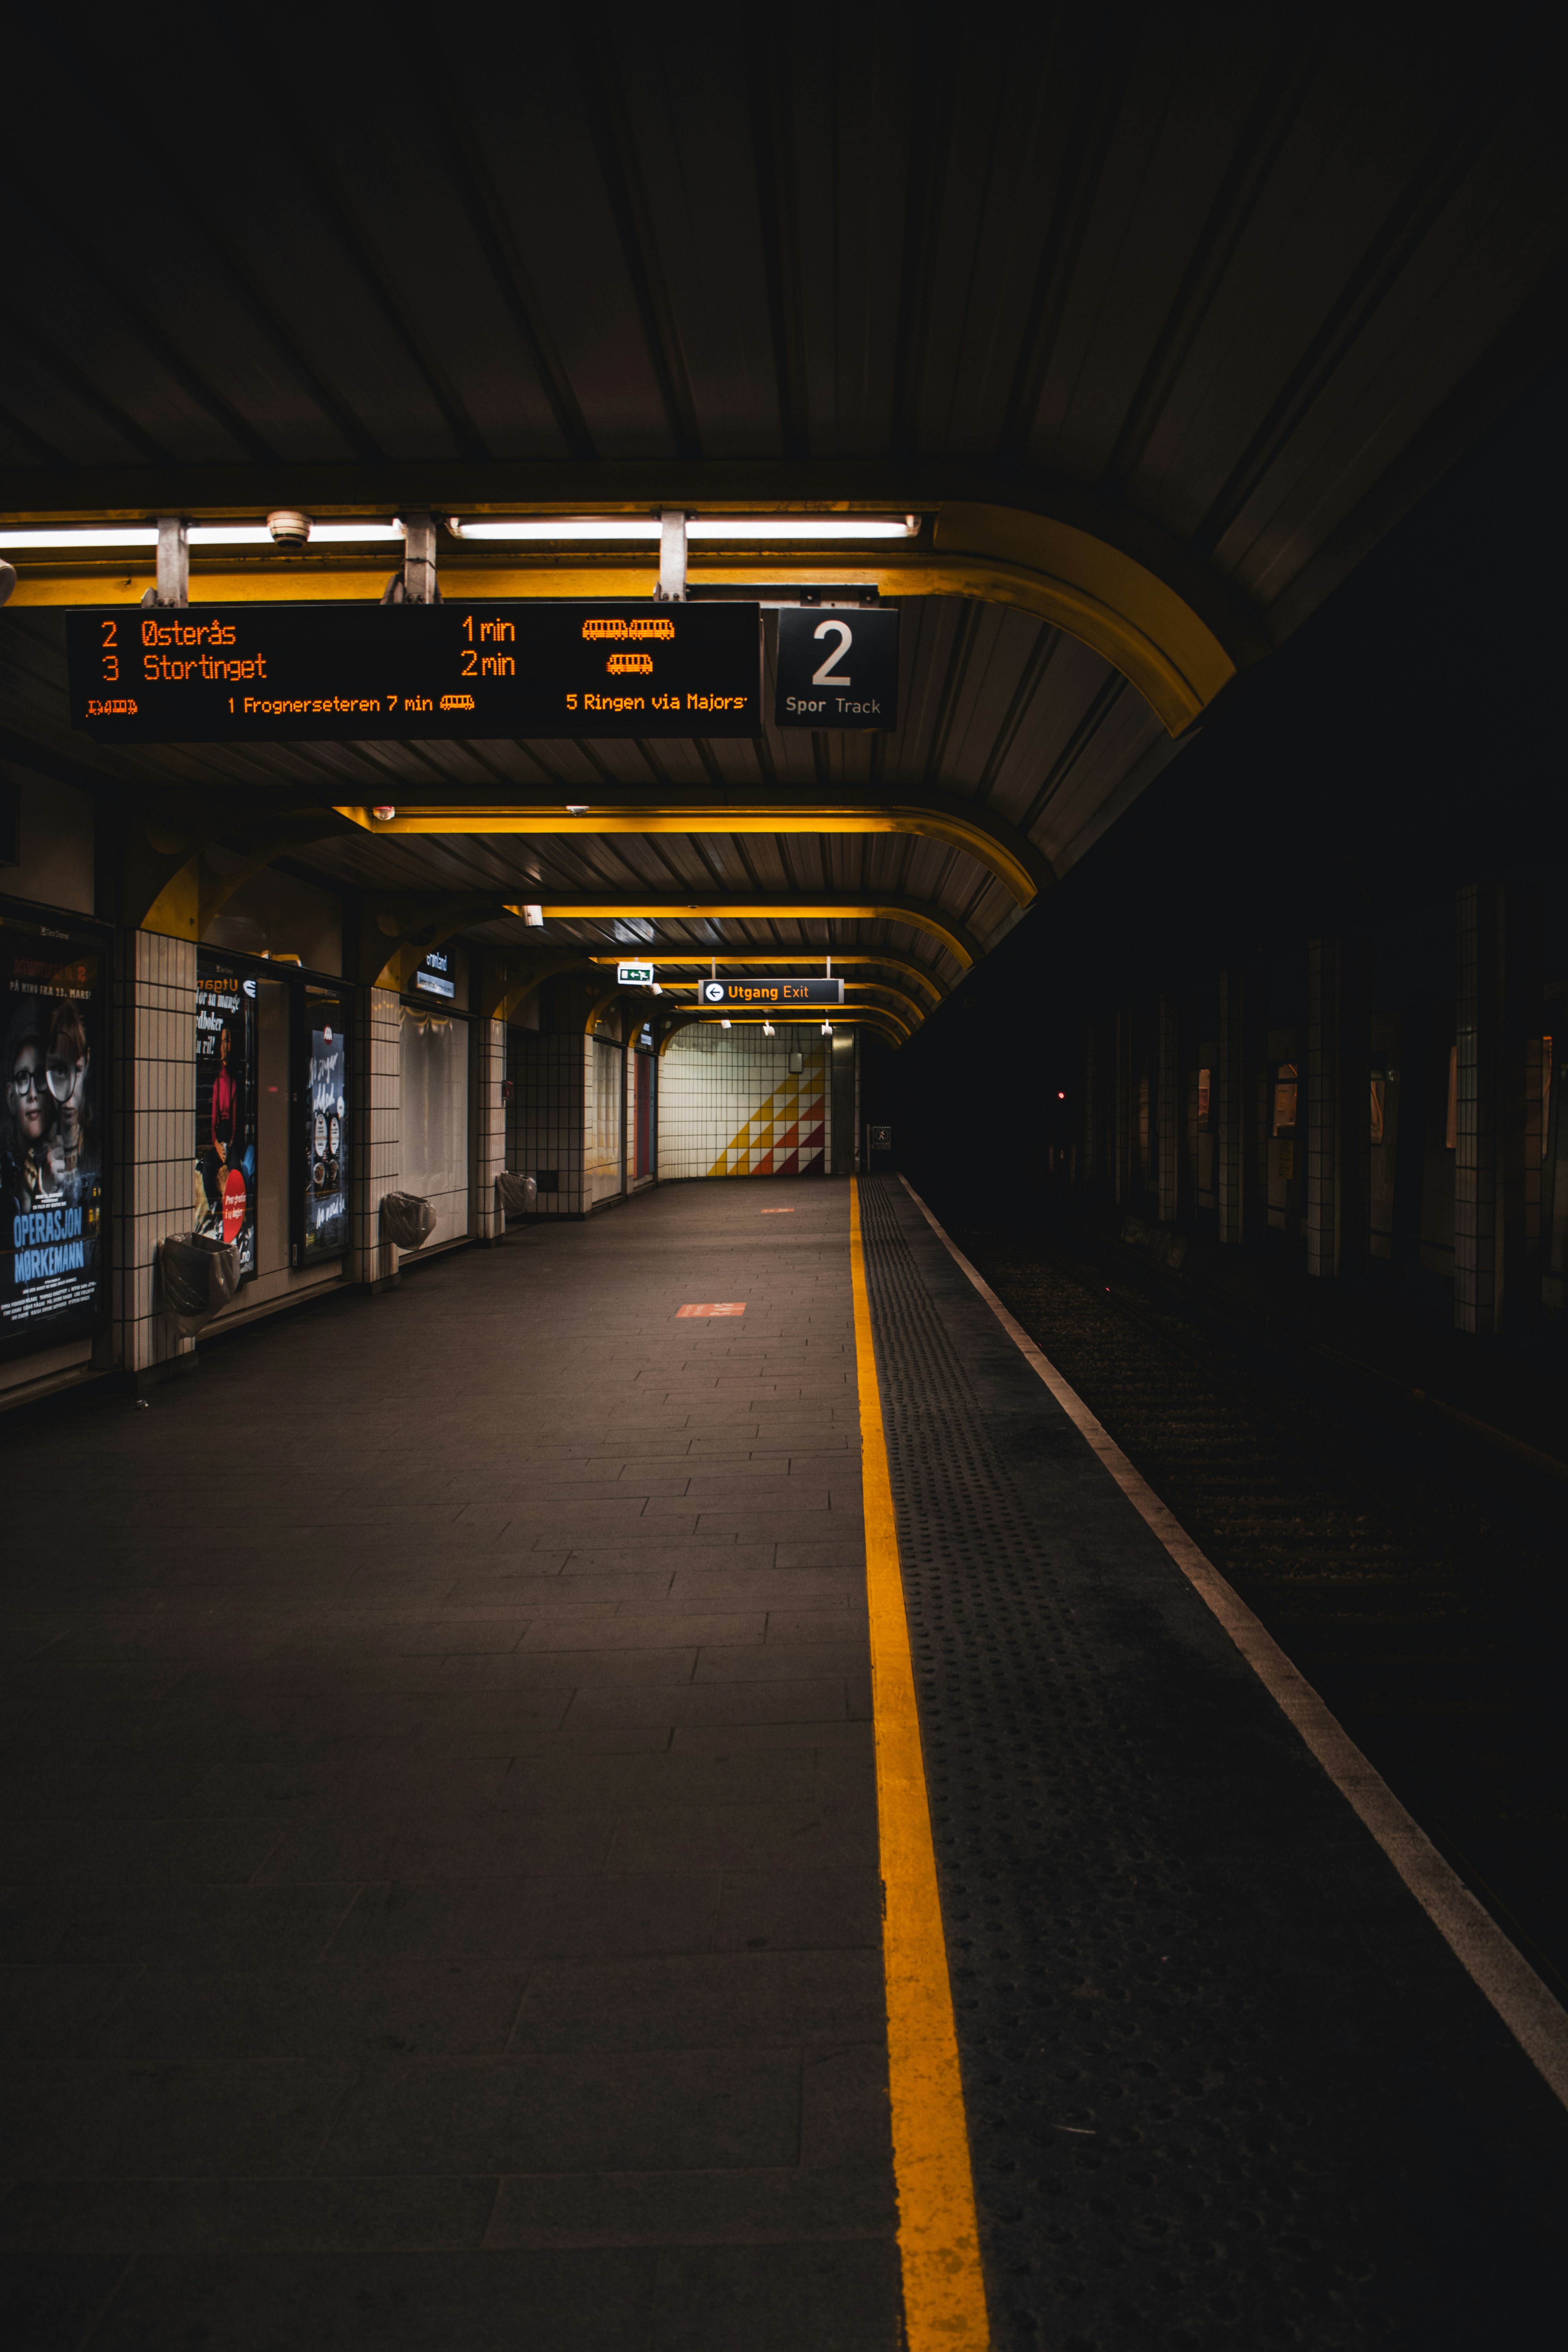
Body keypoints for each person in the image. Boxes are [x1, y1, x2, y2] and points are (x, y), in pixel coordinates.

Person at [44, 1001, 97, 1207]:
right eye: (59, 1070)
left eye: (77, 1069)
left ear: (87, 1062)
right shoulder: (35, 1156)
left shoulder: (97, 1148)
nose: (69, 1092)